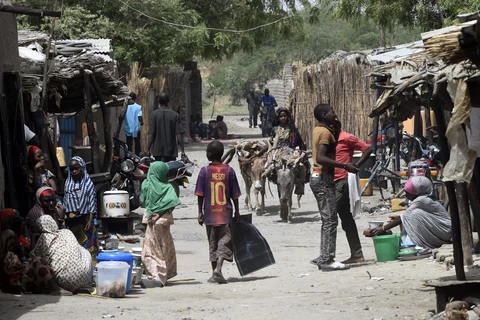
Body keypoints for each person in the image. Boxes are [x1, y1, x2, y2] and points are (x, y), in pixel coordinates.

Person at [311, 120, 373, 265]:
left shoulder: (346, 137)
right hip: (332, 181)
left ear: (338, 127)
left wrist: (356, 166)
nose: (331, 129)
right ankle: (357, 254)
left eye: (333, 127)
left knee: (330, 216)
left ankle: (326, 255)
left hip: (343, 180)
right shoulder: (327, 139)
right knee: (346, 218)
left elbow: (368, 149)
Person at [310, 104, 358, 271]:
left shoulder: (319, 130)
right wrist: (345, 166)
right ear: (324, 114)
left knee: (327, 220)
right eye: (331, 112)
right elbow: (322, 158)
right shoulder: (324, 133)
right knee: (330, 220)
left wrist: (335, 132)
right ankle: (327, 259)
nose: (335, 114)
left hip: (319, 178)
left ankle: (324, 257)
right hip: (323, 178)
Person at [195, 141, 241, 284]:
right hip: (225, 213)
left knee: (213, 243)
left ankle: (215, 270)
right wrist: (237, 212)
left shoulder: (204, 171)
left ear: (208, 154)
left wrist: (200, 212)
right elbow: (235, 195)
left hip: (210, 214)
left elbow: (200, 194)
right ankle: (218, 270)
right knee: (225, 242)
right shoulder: (229, 171)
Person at [369, 176, 452, 249]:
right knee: (409, 216)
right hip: (444, 230)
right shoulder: (423, 199)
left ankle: (416, 244)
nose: (406, 195)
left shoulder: (422, 200)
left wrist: (383, 228)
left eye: (409, 193)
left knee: (413, 215)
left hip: (445, 230)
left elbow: (405, 215)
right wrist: (401, 217)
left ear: (417, 192)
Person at [141, 161, 181, 286]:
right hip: (163, 221)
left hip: (151, 219)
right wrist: (160, 212)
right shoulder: (168, 187)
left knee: (151, 250)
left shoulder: (146, 185)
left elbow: (143, 201)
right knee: (164, 247)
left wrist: (154, 211)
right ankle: (162, 275)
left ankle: (156, 276)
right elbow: (172, 202)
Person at [31, 215, 93, 293]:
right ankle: (81, 284)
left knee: (39, 261)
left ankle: (57, 287)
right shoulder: (67, 232)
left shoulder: (44, 237)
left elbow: (33, 256)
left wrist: (34, 237)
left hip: (63, 281)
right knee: (85, 251)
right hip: (84, 279)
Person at [63, 156, 99, 265]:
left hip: (85, 220)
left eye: (76, 168)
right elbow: (66, 201)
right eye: (71, 169)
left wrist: (91, 220)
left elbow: (92, 202)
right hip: (72, 221)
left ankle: (90, 270)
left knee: (88, 246)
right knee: (74, 247)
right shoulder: (68, 183)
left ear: (82, 168)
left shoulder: (88, 184)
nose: (74, 171)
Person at [0, 229, 55, 294]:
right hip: (18, 281)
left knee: (37, 261)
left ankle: (52, 285)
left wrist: (23, 256)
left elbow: (23, 261)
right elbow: (17, 269)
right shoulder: (6, 256)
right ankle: (54, 286)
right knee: (38, 261)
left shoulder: (12, 251)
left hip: (22, 275)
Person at [269, 107, 308, 196]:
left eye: (285, 116)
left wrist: (299, 150)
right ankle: (274, 178)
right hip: (278, 152)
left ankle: (300, 184)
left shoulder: (292, 128)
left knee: (301, 166)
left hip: (291, 151)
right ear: (278, 118)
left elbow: (299, 141)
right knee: (270, 167)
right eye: (281, 116)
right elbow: (271, 141)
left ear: (288, 117)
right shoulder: (275, 129)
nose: (283, 118)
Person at [148, 92, 186, 162]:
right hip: (171, 151)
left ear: (159, 102)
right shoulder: (175, 115)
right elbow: (179, 134)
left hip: (158, 151)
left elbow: (151, 133)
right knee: (170, 171)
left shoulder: (154, 115)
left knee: (159, 171)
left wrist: (148, 149)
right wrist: (182, 150)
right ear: (168, 101)